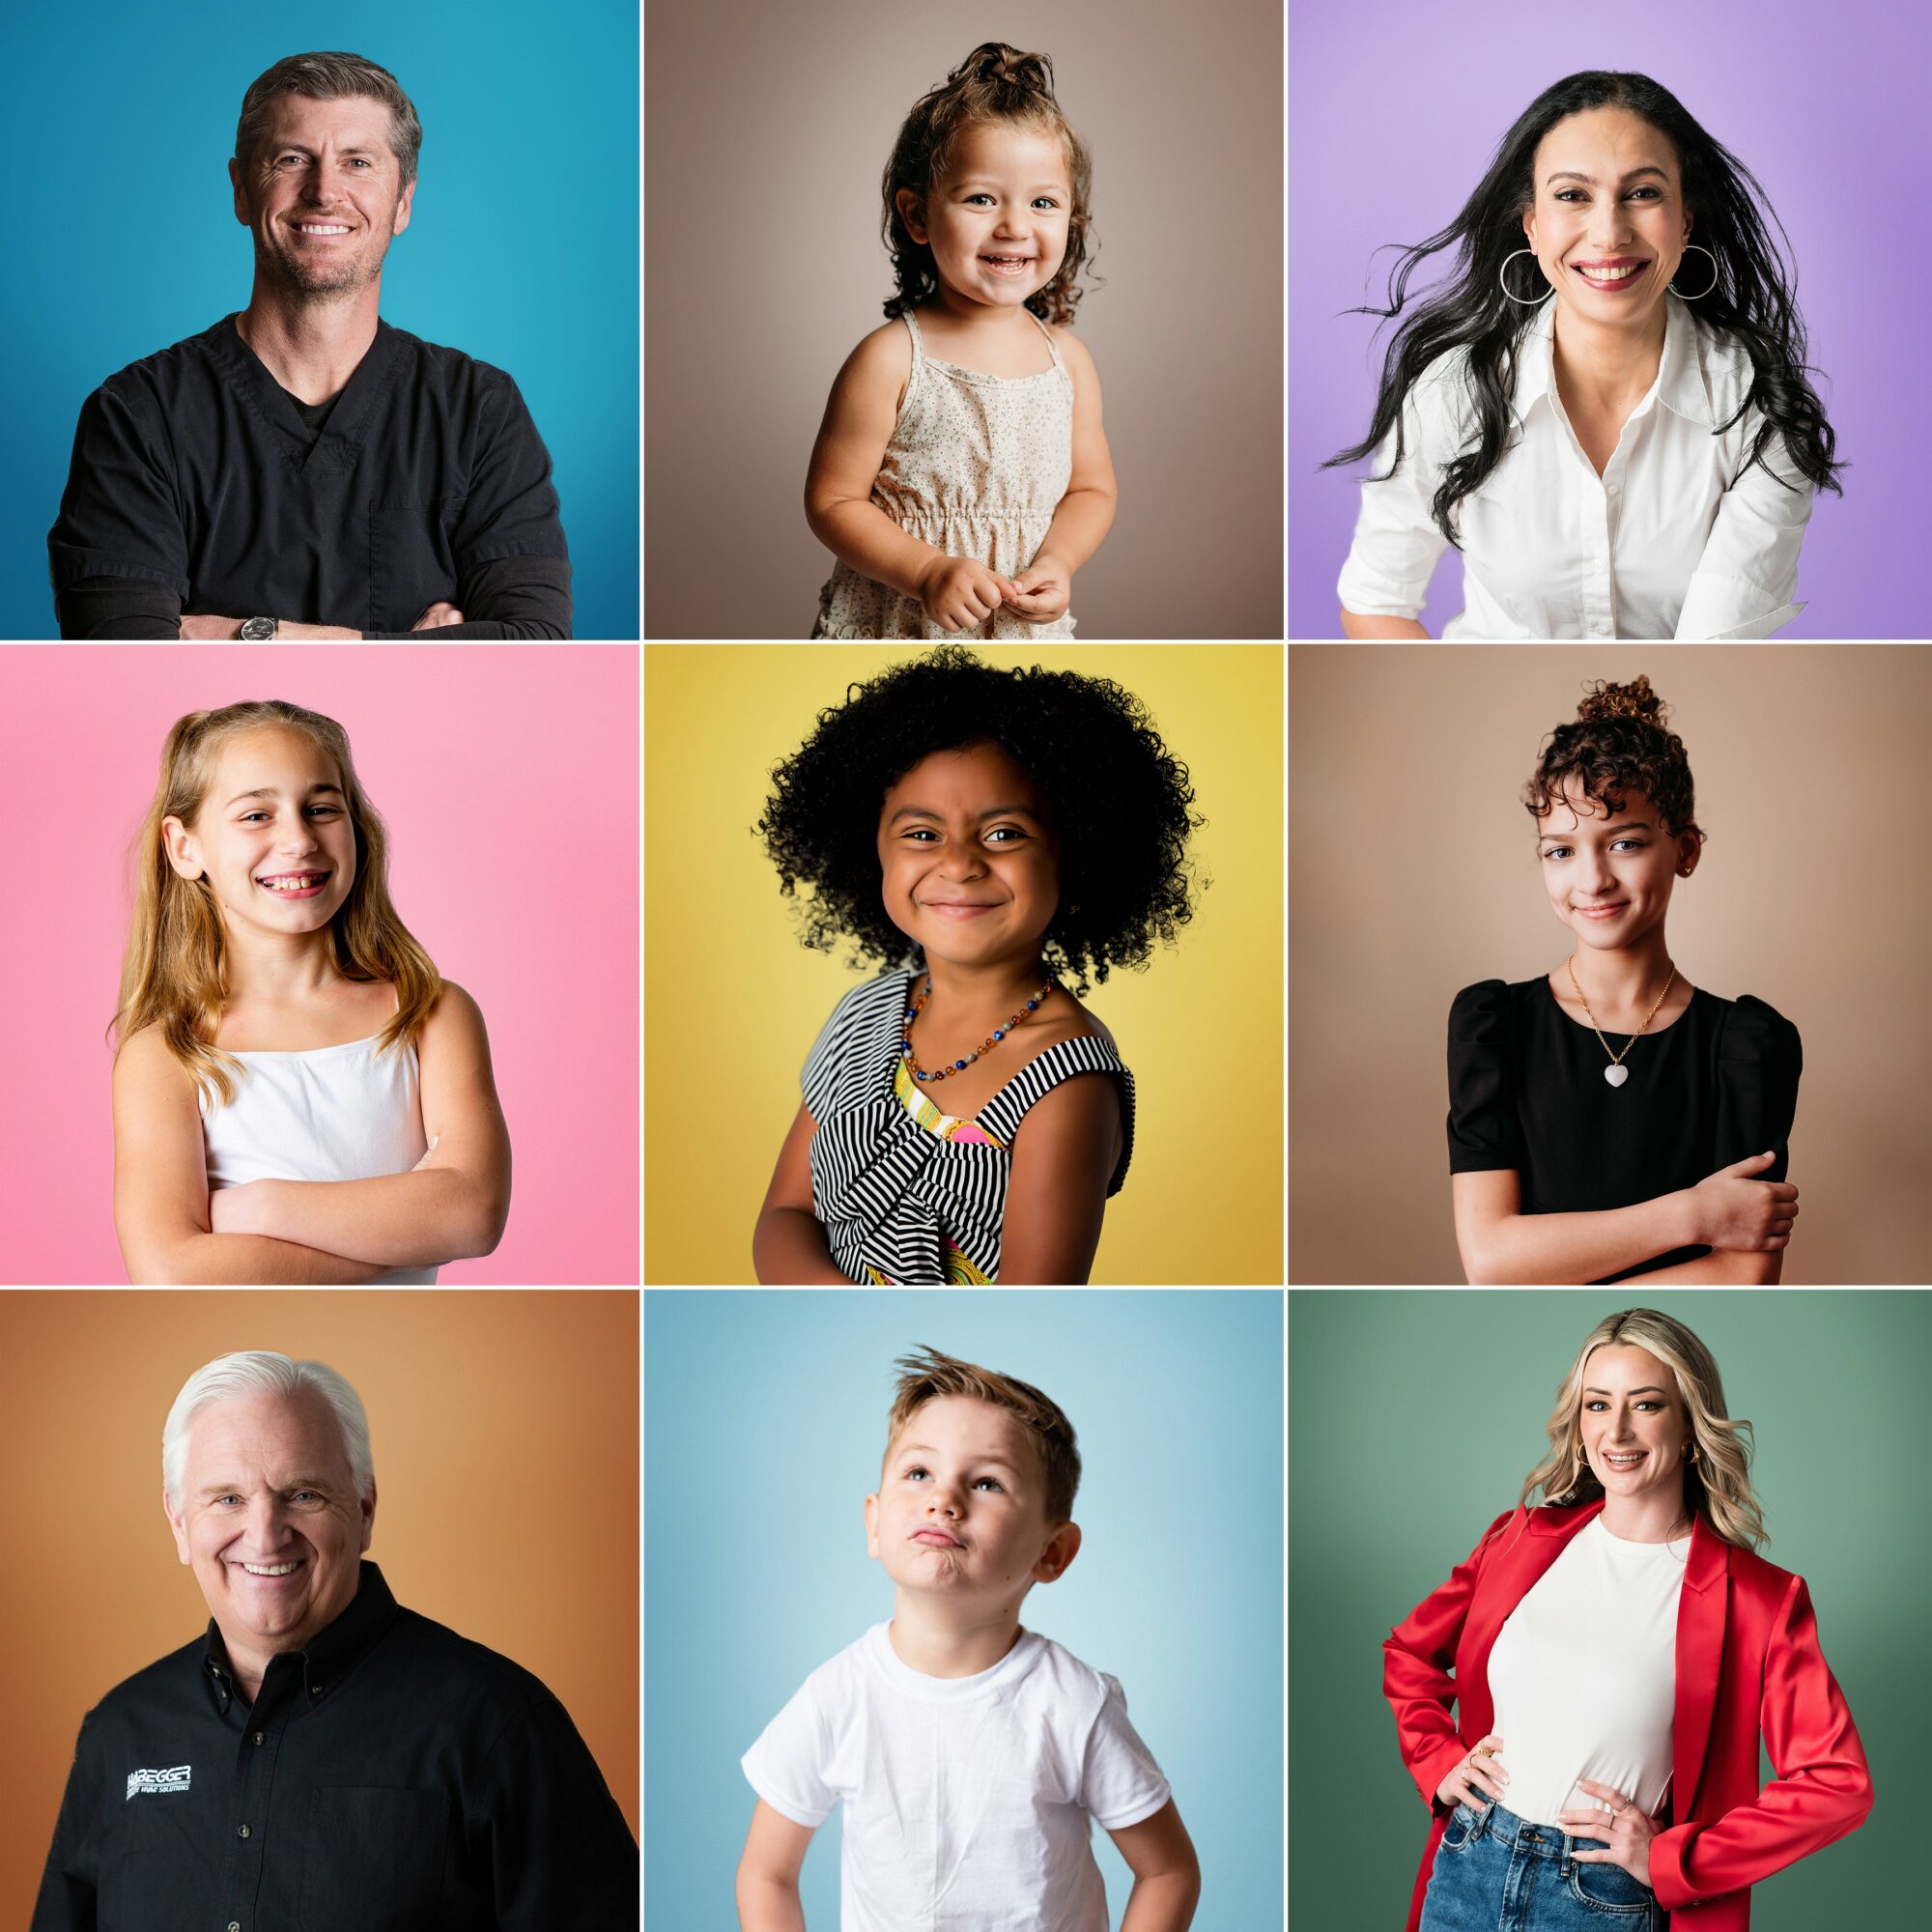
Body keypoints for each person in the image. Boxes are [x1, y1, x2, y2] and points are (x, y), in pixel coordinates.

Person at [30, 1350, 637, 1930]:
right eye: (228, 1499)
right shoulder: (119, 1734)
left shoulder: (500, 1724)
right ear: (180, 1524)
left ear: (365, 1509)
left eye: (303, 1494)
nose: (265, 1537)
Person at [47, 51, 571, 639]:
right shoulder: (139, 414)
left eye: (358, 163)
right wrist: (411, 651)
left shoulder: (479, 410)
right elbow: (122, 657)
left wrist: (251, 636)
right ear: (242, 190)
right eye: (293, 159)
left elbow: (537, 644)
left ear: (402, 202)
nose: (325, 191)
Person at [1384, 1308, 1872, 1932]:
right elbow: (1408, 1655)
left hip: (1599, 1899)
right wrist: (1437, 1759)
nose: (1616, 1431)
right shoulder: (1518, 1540)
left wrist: (1672, 1858)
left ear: (1690, 1425)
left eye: (1645, 1405)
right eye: (1596, 1405)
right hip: (1468, 1866)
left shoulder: (1756, 1600)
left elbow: (1838, 1782)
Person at [1329, 71, 1838, 640]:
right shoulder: (1453, 389)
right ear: (1532, 227)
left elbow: (1711, 649)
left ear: (1686, 219)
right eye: (1573, 195)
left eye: (1643, 193)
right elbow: (1376, 603)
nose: (1609, 233)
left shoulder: (1758, 403)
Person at [752, 648, 1198, 1285]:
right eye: (923, 835)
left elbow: (1030, 1308)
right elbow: (785, 1213)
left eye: (1004, 833)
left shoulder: (1067, 1083)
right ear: (869, 851)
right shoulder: (863, 1015)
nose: (959, 864)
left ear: (1076, 863)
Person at [735, 1347, 1200, 1931]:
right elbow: (766, 1874)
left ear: (1051, 1553)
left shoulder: (1074, 1704)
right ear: (875, 1524)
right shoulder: (837, 1696)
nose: (944, 1499)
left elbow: (1168, 1871)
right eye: (919, 1472)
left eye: (986, 1483)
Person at [110, 699, 511, 1282]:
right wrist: (405, 1234)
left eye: (321, 808)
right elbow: (171, 1272)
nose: (298, 840)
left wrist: (263, 1206)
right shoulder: (166, 1056)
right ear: (184, 847)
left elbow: (472, 1215)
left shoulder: (433, 1015)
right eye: (255, 816)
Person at [1448, 676, 1800, 1284]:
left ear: (1684, 850)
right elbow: (1492, 1263)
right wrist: (1692, 1214)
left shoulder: (1747, 1045)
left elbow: (1743, 1277)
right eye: (1560, 851)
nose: (1592, 881)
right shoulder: (1492, 1026)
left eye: (1625, 843)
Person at [804, 43, 1116, 639]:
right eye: (981, 198)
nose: (1014, 226)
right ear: (918, 215)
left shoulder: (1068, 363)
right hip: (901, 623)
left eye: (1043, 202)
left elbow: (1092, 488)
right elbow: (833, 502)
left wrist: (1059, 561)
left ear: (1070, 220)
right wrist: (926, 571)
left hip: (1019, 630)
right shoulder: (891, 359)